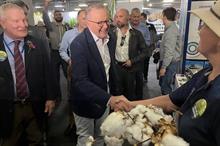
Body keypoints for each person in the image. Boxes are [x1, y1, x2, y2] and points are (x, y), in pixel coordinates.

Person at [126, 1, 220, 145]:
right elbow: (171, 100)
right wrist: (129, 105)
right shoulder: (206, 74)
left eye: (205, 25)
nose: (199, 30)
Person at [69, 4, 130, 146]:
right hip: (85, 104)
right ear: (88, 23)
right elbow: (80, 81)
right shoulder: (79, 44)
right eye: (99, 23)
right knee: (86, 140)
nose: (105, 26)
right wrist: (109, 99)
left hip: (104, 102)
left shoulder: (110, 40)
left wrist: (115, 94)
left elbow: (110, 70)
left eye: (107, 21)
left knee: (102, 136)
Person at [0, 3, 56, 146]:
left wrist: (50, 97)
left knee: (36, 140)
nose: (24, 25)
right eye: (16, 21)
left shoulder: (37, 44)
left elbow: (48, 72)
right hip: (7, 107)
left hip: (35, 104)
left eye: (24, 19)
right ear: (3, 23)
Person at [111, 8, 149, 101]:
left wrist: (132, 61)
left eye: (120, 16)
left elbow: (145, 52)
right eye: (116, 17)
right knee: (118, 96)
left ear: (128, 18)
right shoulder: (111, 33)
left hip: (131, 70)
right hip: (116, 69)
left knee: (131, 96)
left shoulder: (137, 34)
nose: (117, 19)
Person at [43, 0, 67, 98]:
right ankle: (57, 95)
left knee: (68, 73)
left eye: (60, 14)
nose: (58, 16)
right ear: (54, 16)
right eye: (56, 15)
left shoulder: (66, 26)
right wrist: (46, 5)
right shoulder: (51, 26)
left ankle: (71, 93)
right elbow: (45, 18)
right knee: (54, 75)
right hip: (54, 53)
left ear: (62, 16)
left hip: (65, 53)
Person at [130, 8, 151, 99]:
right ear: (130, 16)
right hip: (128, 59)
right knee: (129, 82)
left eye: (138, 17)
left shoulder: (144, 27)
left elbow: (148, 41)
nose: (136, 19)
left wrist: (139, 45)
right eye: (134, 16)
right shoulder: (126, 26)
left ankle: (139, 101)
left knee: (139, 80)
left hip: (139, 58)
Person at [159, 7, 180, 95]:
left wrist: (163, 67)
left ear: (165, 17)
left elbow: (169, 52)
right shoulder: (170, 28)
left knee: (166, 87)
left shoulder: (171, 31)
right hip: (169, 62)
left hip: (170, 63)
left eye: (162, 16)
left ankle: (168, 108)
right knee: (163, 84)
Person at [59, 9, 87, 77]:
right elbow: (62, 50)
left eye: (88, 19)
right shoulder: (68, 34)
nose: (86, 21)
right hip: (75, 68)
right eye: (84, 18)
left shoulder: (92, 34)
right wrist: (69, 60)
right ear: (77, 19)